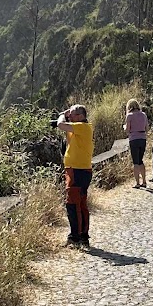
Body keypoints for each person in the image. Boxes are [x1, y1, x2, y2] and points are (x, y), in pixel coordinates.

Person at [54, 104, 93, 246]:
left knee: (73, 204)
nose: (70, 117)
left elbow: (60, 125)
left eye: (72, 114)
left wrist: (62, 116)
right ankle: (83, 236)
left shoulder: (83, 127)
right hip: (77, 169)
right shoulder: (77, 129)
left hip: (78, 170)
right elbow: (68, 138)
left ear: (81, 116)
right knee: (80, 203)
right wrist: (67, 116)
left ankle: (75, 237)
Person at [124, 99, 149, 189]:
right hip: (143, 138)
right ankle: (144, 181)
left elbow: (127, 130)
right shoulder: (143, 115)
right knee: (140, 160)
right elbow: (147, 128)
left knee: (135, 162)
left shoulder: (129, 116)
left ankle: (137, 183)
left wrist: (125, 128)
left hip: (134, 139)